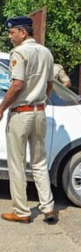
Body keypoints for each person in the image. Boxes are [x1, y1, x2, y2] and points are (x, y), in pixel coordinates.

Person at [0, 16, 58, 224]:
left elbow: (17, 84)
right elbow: (50, 83)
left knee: (16, 163)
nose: (9, 37)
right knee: (39, 162)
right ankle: (48, 208)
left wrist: (2, 107)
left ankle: (21, 211)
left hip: (21, 113)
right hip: (40, 112)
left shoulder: (19, 52)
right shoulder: (46, 52)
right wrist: (41, 100)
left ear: (23, 32)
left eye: (12, 32)